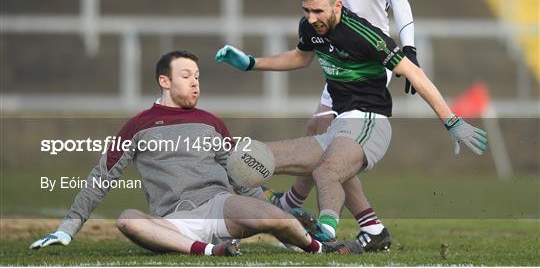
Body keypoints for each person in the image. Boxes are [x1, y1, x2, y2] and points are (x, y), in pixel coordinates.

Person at [215, 0, 488, 242]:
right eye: (307, 10)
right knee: (252, 157)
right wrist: (251, 63)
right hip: (340, 125)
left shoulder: (365, 36)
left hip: (370, 121)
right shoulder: (309, 27)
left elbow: (415, 74)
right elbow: (300, 58)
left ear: (338, 4)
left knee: (327, 171)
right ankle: (285, 213)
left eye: (318, 11)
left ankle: (324, 231)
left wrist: (452, 121)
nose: (312, 18)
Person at [30, 50, 363, 256]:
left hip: (220, 205)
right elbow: (101, 177)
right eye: (186, 76)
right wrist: (67, 228)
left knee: (272, 217)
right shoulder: (137, 127)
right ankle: (208, 251)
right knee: (127, 220)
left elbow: (238, 171)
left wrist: (264, 203)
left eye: (198, 77)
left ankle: (318, 247)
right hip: (172, 221)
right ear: (164, 80)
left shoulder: (211, 122)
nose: (195, 83)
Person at [265, 0, 421, 251]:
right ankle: (364, 226)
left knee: (328, 145)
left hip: (365, 65)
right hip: (341, 59)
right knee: (324, 143)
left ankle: (291, 207)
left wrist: (409, 49)